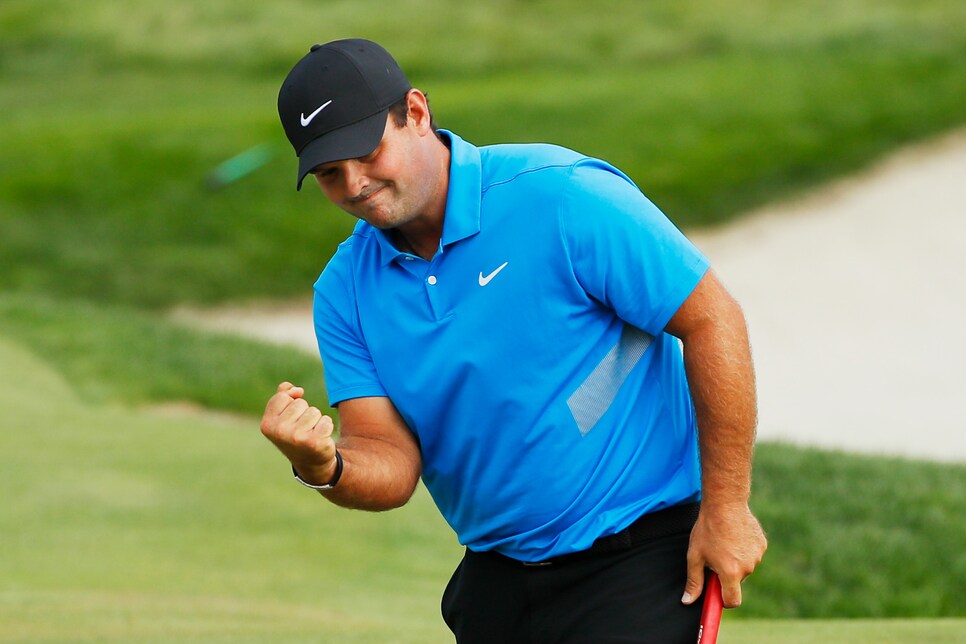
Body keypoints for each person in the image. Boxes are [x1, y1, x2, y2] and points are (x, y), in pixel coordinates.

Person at [262, 38, 767, 643]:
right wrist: (324, 466)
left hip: (637, 558)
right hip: (499, 585)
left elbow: (712, 319)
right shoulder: (343, 291)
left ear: (417, 114)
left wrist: (728, 507)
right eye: (328, 174)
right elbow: (389, 462)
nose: (354, 186)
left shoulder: (560, 196)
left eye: (366, 153)